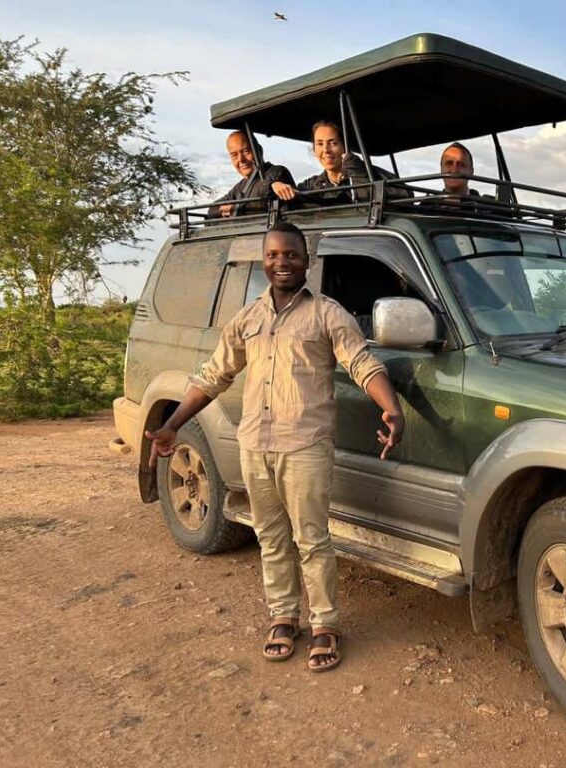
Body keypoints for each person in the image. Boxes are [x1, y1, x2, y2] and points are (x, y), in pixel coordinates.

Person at [145, 220, 405, 673]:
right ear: (263, 261)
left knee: (312, 539)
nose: (281, 262)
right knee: (270, 537)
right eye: (273, 255)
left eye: (291, 254)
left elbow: (363, 363)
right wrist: (172, 424)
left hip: (304, 446)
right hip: (255, 446)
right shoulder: (247, 319)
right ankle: (283, 617)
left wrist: (391, 408)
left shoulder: (327, 314)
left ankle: (325, 624)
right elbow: (212, 377)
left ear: (308, 260)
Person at [271, 121, 367, 206]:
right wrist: (274, 184)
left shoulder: (366, 174)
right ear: (314, 149)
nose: (326, 150)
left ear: (345, 147)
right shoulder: (312, 186)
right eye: (320, 144)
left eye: (333, 143)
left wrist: (356, 171)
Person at [208, 131, 296, 219]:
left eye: (245, 151)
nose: (241, 159)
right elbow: (212, 210)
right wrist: (231, 209)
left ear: (259, 151)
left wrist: (235, 210)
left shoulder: (277, 172)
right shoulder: (239, 187)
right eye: (234, 155)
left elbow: (261, 200)